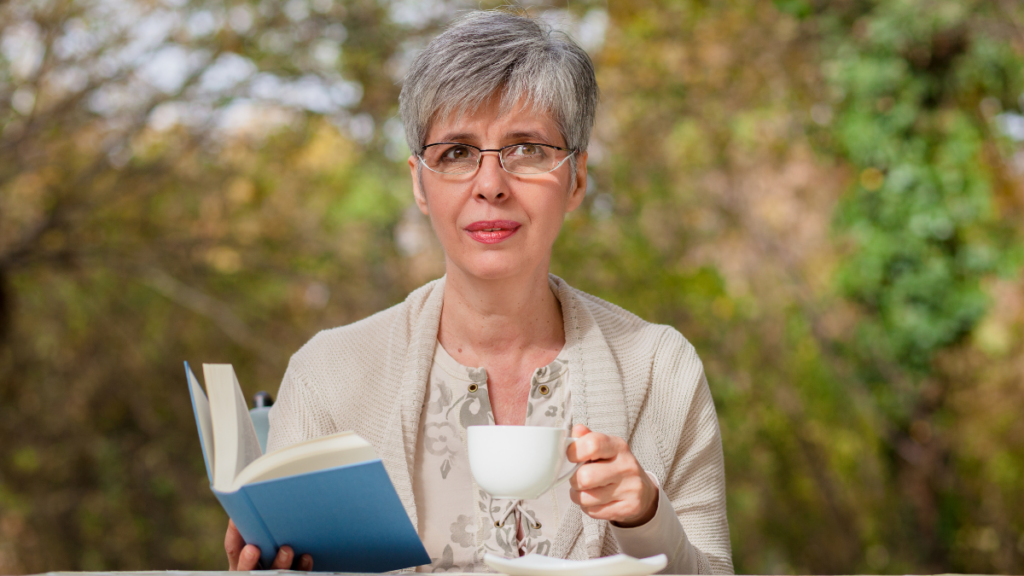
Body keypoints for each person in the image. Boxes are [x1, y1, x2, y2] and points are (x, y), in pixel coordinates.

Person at [225, 9, 732, 574]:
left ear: (578, 179)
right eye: (457, 153)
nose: (491, 186)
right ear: (419, 181)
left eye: (527, 150)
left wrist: (646, 519)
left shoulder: (661, 370)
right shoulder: (328, 376)